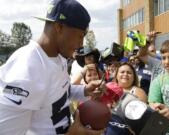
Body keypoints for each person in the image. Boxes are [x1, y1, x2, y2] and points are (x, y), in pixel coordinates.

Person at [0, 0, 104, 135]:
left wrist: (84, 90)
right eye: (80, 36)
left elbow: (56, 94)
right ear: (59, 27)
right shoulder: (25, 69)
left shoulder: (59, 56)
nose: (81, 44)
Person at [104, 62, 147, 135]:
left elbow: (140, 118)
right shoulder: (107, 88)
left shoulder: (139, 92)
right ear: (116, 75)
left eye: (129, 73)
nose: (125, 74)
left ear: (134, 77)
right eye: (122, 72)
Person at [148, 39, 169, 135]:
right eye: (163, 58)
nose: (166, 62)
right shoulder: (158, 81)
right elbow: (152, 103)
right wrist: (155, 107)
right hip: (166, 131)